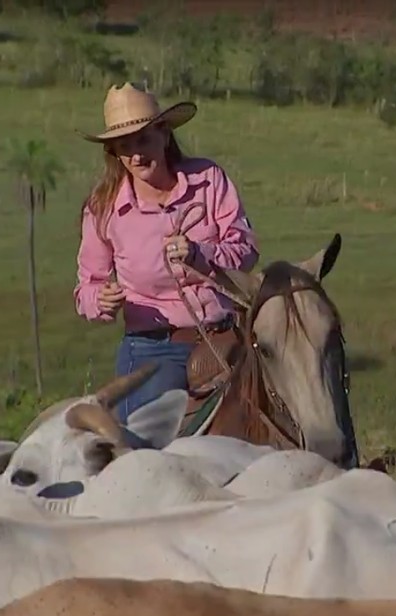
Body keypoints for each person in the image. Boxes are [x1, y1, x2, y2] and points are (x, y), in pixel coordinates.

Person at [73, 83, 259, 423]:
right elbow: (87, 288)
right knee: (145, 446)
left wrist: (201, 255)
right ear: (114, 152)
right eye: (124, 146)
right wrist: (103, 300)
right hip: (153, 347)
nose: (136, 155)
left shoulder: (209, 179)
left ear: (164, 135)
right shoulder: (104, 210)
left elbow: (246, 249)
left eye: (143, 139)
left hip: (226, 334)